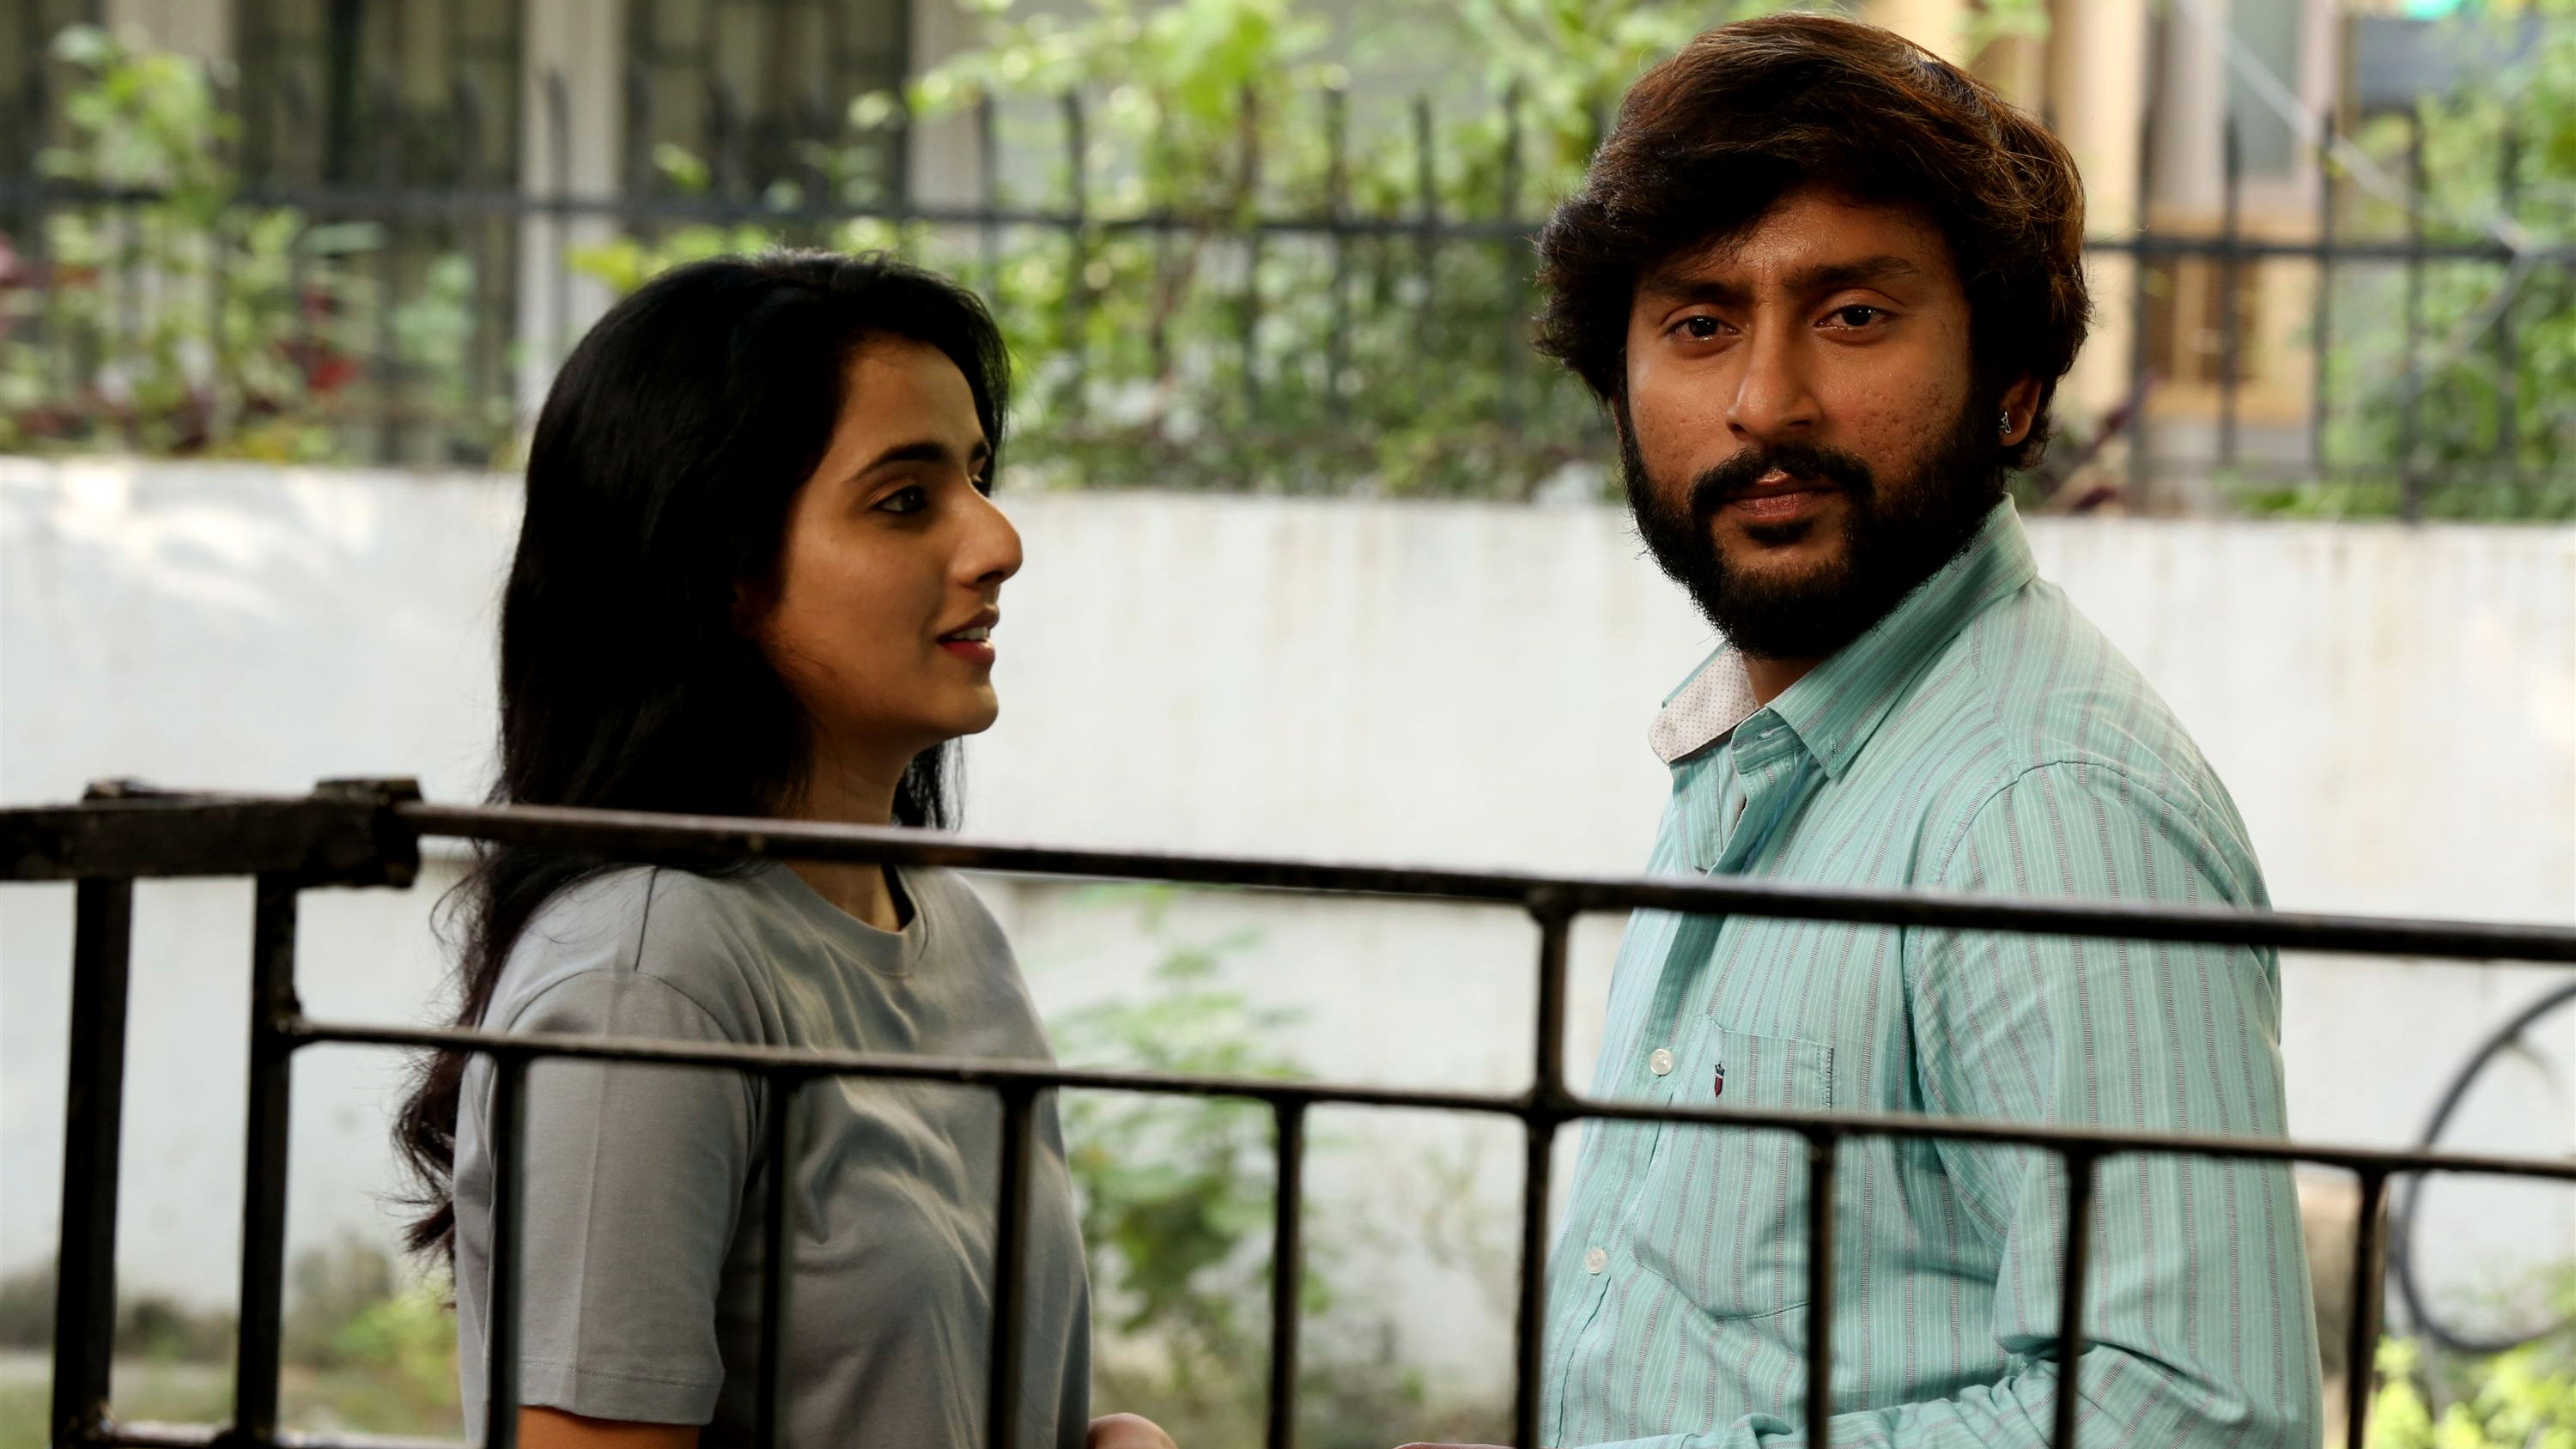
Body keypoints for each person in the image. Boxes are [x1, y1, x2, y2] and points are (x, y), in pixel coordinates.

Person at [1454, 15, 2322, 1447]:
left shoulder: (2043, 806)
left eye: (1853, 315)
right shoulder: (1772, 742)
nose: (1764, 404)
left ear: (2013, 386)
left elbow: (2186, 1417)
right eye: (1698, 325)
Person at [390, 252, 1171, 1449]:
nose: (998, 541)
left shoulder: (951, 932)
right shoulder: (648, 977)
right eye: (904, 500)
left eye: (977, 476)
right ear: (722, 573)